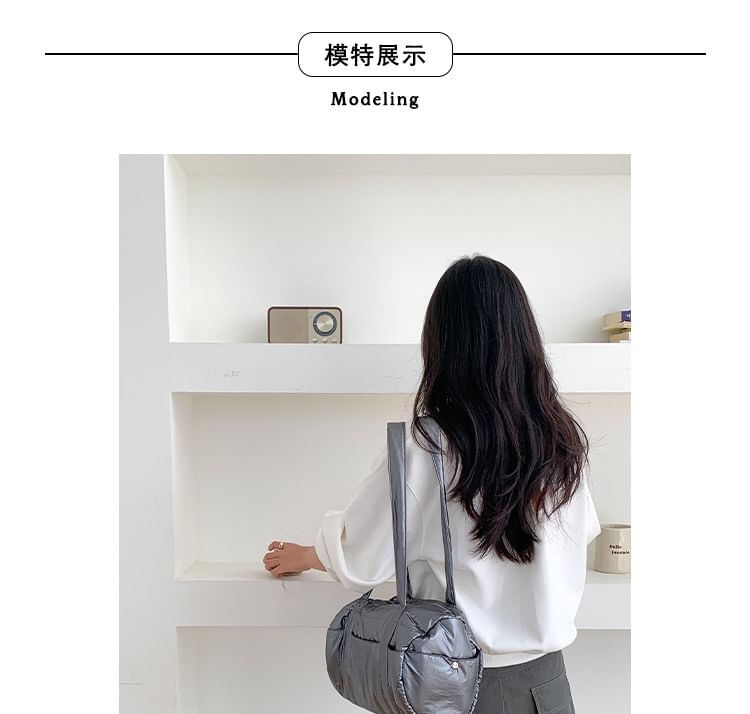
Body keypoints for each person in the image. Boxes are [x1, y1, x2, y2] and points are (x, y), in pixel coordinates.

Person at [262, 254, 600, 713]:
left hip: (454, 684)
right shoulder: (559, 440)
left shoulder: (426, 447)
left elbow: (361, 556)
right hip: (548, 687)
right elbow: (581, 535)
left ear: (441, 343)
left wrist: (306, 554)